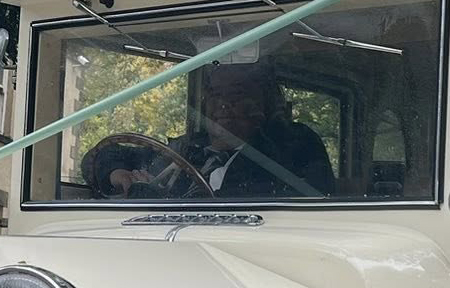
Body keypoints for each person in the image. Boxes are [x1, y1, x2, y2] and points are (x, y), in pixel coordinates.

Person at [91, 62, 335, 199]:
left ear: (264, 103)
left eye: (238, 95)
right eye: (216, 95)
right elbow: (99, 155)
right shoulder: (187, 148)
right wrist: (118, 174)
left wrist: (152, 196)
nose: (224, 105)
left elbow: (300, 195)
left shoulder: (291, 148)